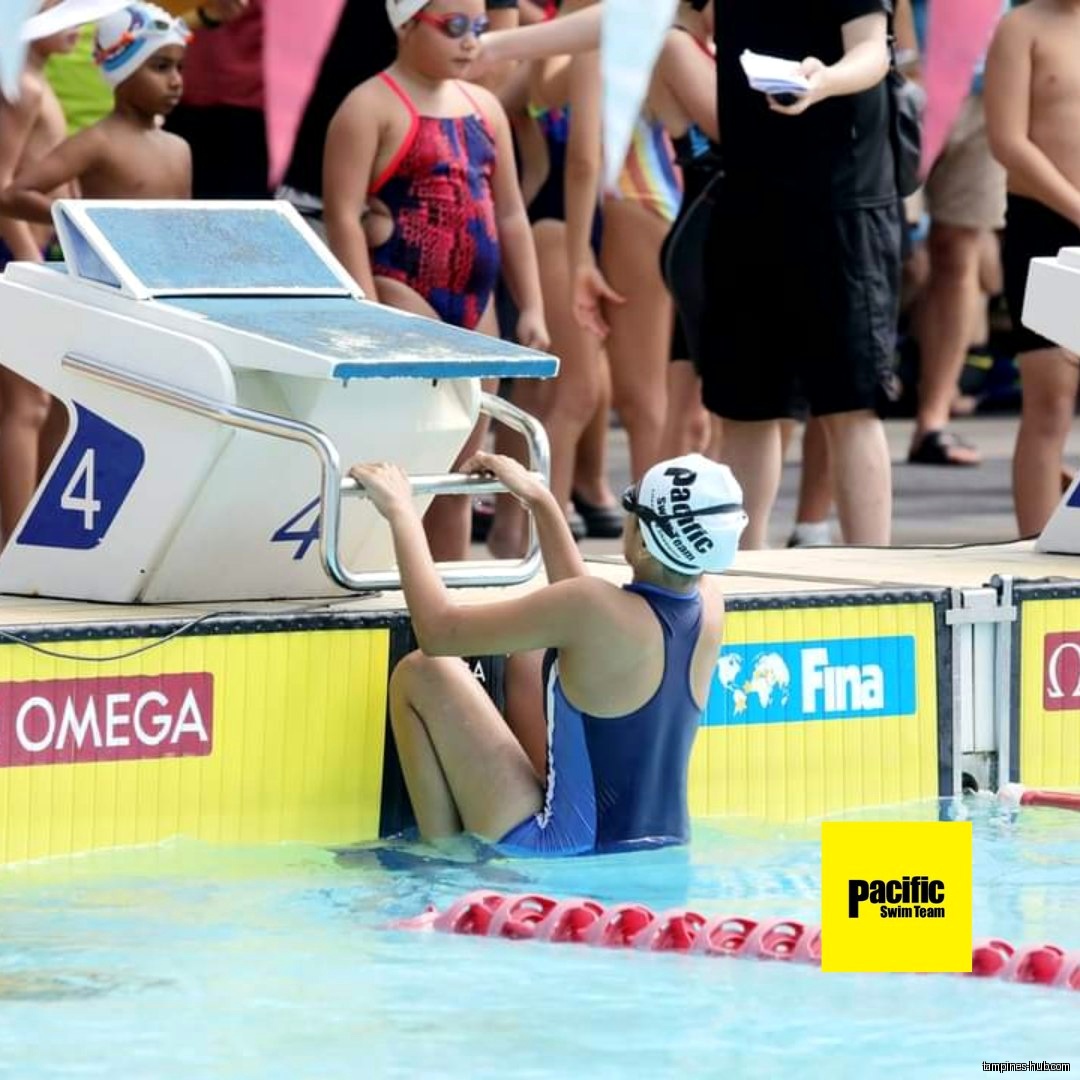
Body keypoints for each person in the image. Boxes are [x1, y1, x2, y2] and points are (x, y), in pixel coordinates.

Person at [351, 450, 743, 854]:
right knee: (531, 658)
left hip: (556, 850)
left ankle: (446, 859)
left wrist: (402, 512)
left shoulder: (592, 610)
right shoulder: (711, 606)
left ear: (643, 540)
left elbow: (438, 631)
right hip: (665, 851)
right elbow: (581, 612)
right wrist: (539, 501)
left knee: (424, 671)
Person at [323, 0, 549, 562]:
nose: (472, 40)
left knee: (463, 475)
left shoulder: (486, 108)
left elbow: (512, 215)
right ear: (405, 23)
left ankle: (453, 599)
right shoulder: (369, 106)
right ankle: (390, 585)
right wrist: (366, 311)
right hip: (402, 295)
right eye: (453, 27)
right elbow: (344, 215)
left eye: (477, 27)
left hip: (476, 310)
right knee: (410, 468)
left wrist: (533, 306)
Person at [705, 0, 900, 549]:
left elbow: (872, 50)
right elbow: (637, 19)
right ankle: (741, 577)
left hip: (842, 201)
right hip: (748, 194)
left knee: (851, 403)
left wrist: (826, 80)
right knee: (745, 406)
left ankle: (877, 582)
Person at [984, 0, 1080, 536]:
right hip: (1045, 225)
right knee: (1049, 399)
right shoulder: (1020, 27)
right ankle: (1031, 547)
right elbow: (1008, 140)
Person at [908, 0, 1008, 467]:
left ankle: (934, 419)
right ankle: (849, 412)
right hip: (900, 85)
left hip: (989, 85)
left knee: (960, 251)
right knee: (892, 254)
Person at [0, 3, 192, 227]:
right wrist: (87, 226)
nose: (176, 81)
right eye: (161, 67)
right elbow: (12, 196)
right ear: (123, 73)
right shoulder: (97, 142)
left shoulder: (180, 148)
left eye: (180, 67)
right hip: (105, 263)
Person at [0, 2, 79, 545]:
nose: (76, 23)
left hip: (31, 254)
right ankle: (16, 549)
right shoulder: (19, 84)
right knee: (27, 405)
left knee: (42, 405)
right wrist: (30, 266)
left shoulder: (35, 80)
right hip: (15, 255)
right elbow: (1, 188)